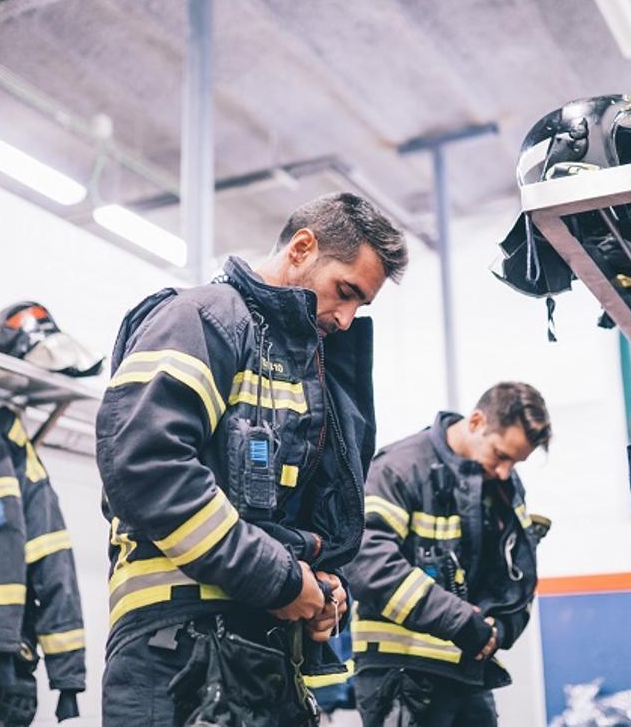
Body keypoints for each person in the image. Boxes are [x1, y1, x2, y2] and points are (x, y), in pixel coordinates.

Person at [96, 192, 408, 727]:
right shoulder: (202, 318)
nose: (349, 318)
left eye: (363, 305)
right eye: (346, 292)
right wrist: (281, 580)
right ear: (302, 247)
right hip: (175, 655)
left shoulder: (308, 369)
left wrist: (322, 587)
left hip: (261, 657)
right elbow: (145, 465)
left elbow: (291, 523)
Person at [347, 382, 553, 727]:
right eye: (501, 455)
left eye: (515, 463)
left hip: (468, 672)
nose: (505, 472)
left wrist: (500, 627)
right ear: (475, 422)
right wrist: (461, 622)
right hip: (400, 677)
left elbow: (515, 575)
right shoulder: (399, 468)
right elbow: (368, 563)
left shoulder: (503, 485)